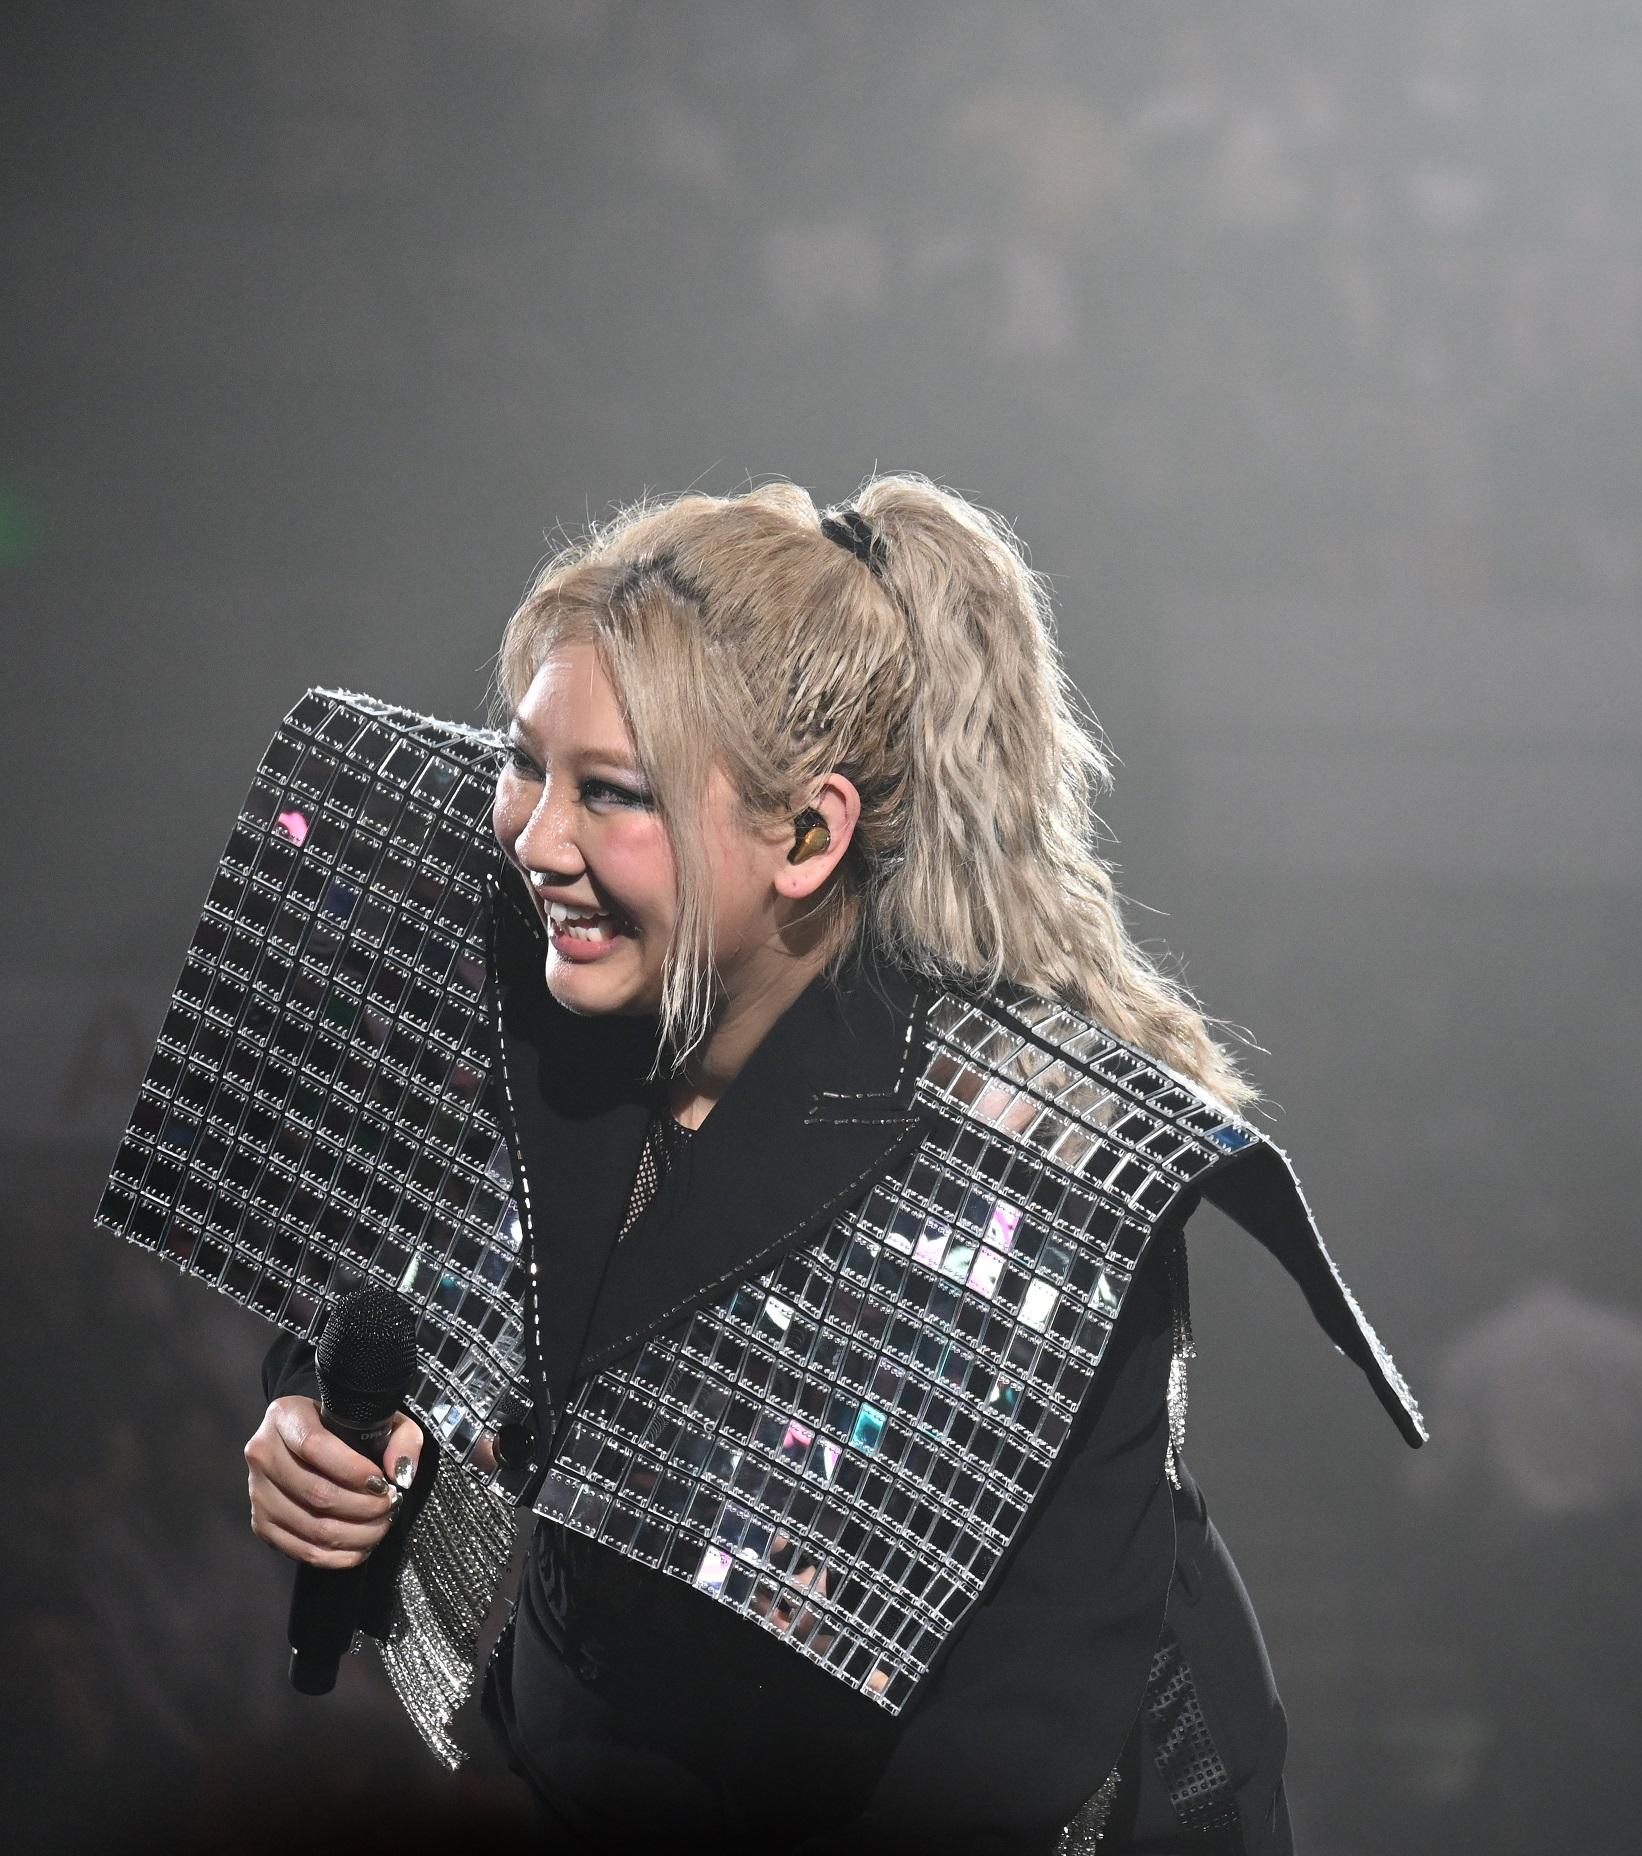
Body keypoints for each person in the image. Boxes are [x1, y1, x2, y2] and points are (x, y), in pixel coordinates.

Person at [234, 474, 1365, 1852]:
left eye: (613, 795)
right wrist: (325, 1424)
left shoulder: (1028, 1172)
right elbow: (404, 1283)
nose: (533, 838)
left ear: (809, 836)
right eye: (524, 764)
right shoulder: (534, 1000)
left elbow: (1006, 1759)